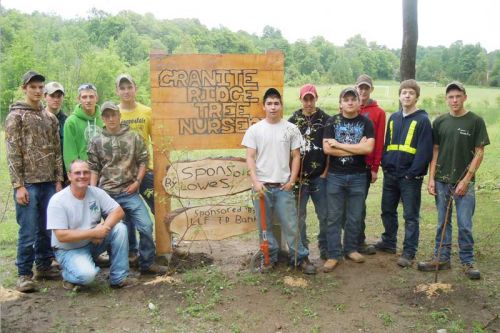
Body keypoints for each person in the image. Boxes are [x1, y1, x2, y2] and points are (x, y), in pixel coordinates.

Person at [418, 82, 490, 280]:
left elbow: (479, 152)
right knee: (442, 222)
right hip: (442, 180)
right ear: (446, 99)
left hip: (464, 182)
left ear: (465, 97)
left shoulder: (475, 121)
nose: (455, 100)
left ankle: (467, 261)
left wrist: (466, 180)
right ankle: (441, 258)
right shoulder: (440, 122)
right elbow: (435, 150)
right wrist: (431, 178)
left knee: (465, 223)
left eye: (458, 96)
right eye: (451, 97)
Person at [88, 102, 168, 275]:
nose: (111, 119)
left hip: (129, 191)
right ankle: (117, 267)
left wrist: (137, 182)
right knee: (115, 230)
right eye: (106, 116)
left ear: (119, 116)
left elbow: (143, 160)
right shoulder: (96, 140)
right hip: (106, 194)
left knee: (146, 225)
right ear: (102, 118)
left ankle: (147, 263)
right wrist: (93, 192)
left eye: (113, 115)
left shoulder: (133, 137)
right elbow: (93, 167)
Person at [242, 88, 316, 274]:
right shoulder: (255, 130)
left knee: (291, 225)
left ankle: (299, 257)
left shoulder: (290, 129)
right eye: (269, 103)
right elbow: (250, 157)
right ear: (264, 106)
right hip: (262, 188)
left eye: (276, 103)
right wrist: (256, 182)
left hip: (284, 187)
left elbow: (296, 156)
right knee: (264, 227)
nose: (273, 107)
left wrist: (291, 180)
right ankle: (269, 258)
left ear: (281, 106)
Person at [5, 70, 64, 292]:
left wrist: (58, 180)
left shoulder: (49, 117)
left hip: (49, 181)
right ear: (25, 89)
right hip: (27, 183)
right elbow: (12, 152)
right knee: (28, 229)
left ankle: (44, 265)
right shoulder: (16, 116)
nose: (38, 91)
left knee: (46, 227)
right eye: (33, 87)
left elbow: (56, 150)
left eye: (41, 87)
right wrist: (18, 185)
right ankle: (24, 273)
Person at [46, 160, 137, 290]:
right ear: (70, 176)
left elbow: (118, 212)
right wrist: (93, 233)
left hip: (93, 242)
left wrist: (104, 229)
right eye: (77, 173)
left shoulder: (96, 192)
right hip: (69, 249)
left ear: (90, 175)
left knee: (120, 228)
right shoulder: (58, 201)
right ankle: (67, 274)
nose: (82, 176)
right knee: (88, 277)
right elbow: (61, 235)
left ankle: (118, 278)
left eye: (86, 172)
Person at [375, 79, 433, 268]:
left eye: (411, 93)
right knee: (387, 210)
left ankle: (409, 251)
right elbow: (388, 143)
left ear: (417, 96)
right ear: (399, 95)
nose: (407, 96)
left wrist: (411, 174)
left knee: (410, 216)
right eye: (404, 92)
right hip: (391, 174)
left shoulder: (423, 120)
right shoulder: (394, 117)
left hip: (410, 178)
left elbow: (424, 151)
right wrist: (385, 163)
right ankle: (389, 242)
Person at [322, 87, 375, 272]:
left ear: (359, 102)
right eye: (346, 99)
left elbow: (368, 149)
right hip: (335, 176)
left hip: (358, 175)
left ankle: (351, 249)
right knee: (334, 216)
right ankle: (333, 254)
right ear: (340, 103)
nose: (350, 102)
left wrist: (339, 145)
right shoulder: (332, 121)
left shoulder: (366, 123)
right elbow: (327, 149)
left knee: (355, 216)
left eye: (353, 99)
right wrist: (355, 147)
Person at [116, 74, 154, 263]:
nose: (126, 91)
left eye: (129, 87)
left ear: (135, 88)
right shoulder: (113, 113)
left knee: (158, 207)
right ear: (117, 91)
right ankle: (131, 252)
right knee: (127, 214)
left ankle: (165, 244)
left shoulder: (147, 112)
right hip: (123, 174)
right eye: (122, 88)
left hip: (146, 171)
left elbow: (156, 141)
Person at [288, 84, 329, 260]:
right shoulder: (292, 121)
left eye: (312, 98)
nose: (309, 102)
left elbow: (329, 148)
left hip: (319, 176)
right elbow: (288, 151)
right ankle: (302, 249)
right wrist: (292, 176)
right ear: (301, 100)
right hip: (299, 178)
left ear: (316, 98)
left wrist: (325, 172)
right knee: (299, 216)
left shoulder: (326, 119)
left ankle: (325, 246)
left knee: (325, 213)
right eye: (306, 99)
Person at [355, 75, 386, 255]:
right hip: (346, 165)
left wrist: (375, 167)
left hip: (365, 166)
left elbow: (379, 141)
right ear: (356, 88)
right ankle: (349, 239)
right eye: (360, 87)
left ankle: (359, 241)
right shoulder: (349, 106)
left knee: (359, 205)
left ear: (371, 89)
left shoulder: (378, 112)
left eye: (366, 88)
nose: (363, 91)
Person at [63, 83, 103, 171]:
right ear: (78, 99)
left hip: (103, 170)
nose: (88, 100)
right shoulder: (71, 122)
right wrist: (73, 173)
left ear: (96, 98)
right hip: (82, 172)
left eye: (91, 96)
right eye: (84, 97)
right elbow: (69, 152)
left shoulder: (103, 119)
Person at [44, 81, 68, 183]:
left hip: (65, 174)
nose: (56, 99)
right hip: (44, 174)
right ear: (45, 96)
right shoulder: (38, 119)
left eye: (59, 96)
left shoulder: (68, 121)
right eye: (52, 96)